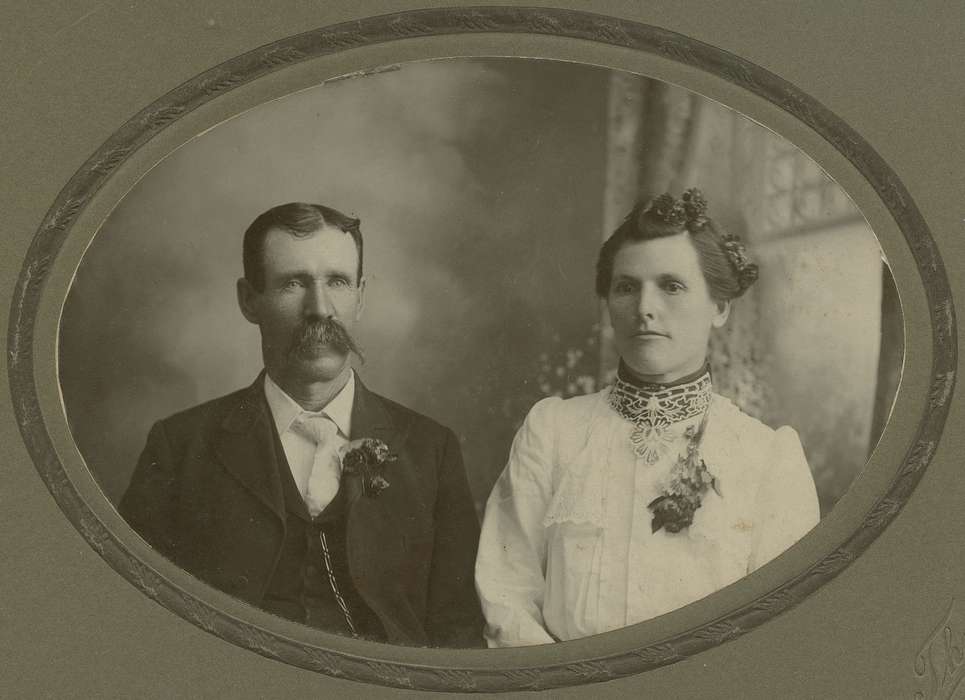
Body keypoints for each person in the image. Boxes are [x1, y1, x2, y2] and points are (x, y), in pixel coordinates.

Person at [120, 202, 484, 647]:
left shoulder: (431, 449)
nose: (320, 308)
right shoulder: (180, 447)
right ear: (248, 300)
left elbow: (458, 630)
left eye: (338, 282)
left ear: (361, 296)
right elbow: (135, 618)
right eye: (293, 283)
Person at [475, 189, 820, 646]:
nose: (644, 309)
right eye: (626, 287)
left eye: (671, 285)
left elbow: (783, 634)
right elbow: (507, 592)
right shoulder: (554, 431)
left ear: (719, 308)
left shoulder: (768, 457)